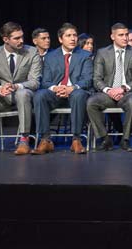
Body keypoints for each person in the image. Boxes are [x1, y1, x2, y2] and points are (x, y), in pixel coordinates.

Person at [0, 22, 41, 156]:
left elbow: (35, 82)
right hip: (3, 97)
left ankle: (24, 140)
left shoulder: (32, 52)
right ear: (5, 39)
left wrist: (17, 86)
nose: (21, 40)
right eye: (16, 38)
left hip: (24, 95)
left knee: (22, 94)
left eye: (22, 37)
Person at [31, 23, 93, 155]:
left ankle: (76, 139)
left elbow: (87, 80)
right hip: (56, 93)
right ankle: (45, 139)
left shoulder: (85, 55)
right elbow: (45, 81)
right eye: (68, 35)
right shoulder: (50, 56)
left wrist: (71, 88)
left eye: (75, 35)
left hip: (75, 93)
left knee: (79, 94)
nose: (73, 39)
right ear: (60, 39)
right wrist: (56, 88)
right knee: (40, 95)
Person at [86, 23, 132, 151]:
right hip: (108, 93)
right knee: (91, 102)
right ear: (112, 36)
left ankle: (125, 139)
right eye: (121, 35)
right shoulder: (102, 52)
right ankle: (105, 139)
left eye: (126, 35)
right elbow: (97, 78)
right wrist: (109, 90)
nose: (125, 38)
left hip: (126, 92)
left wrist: (122, 88)